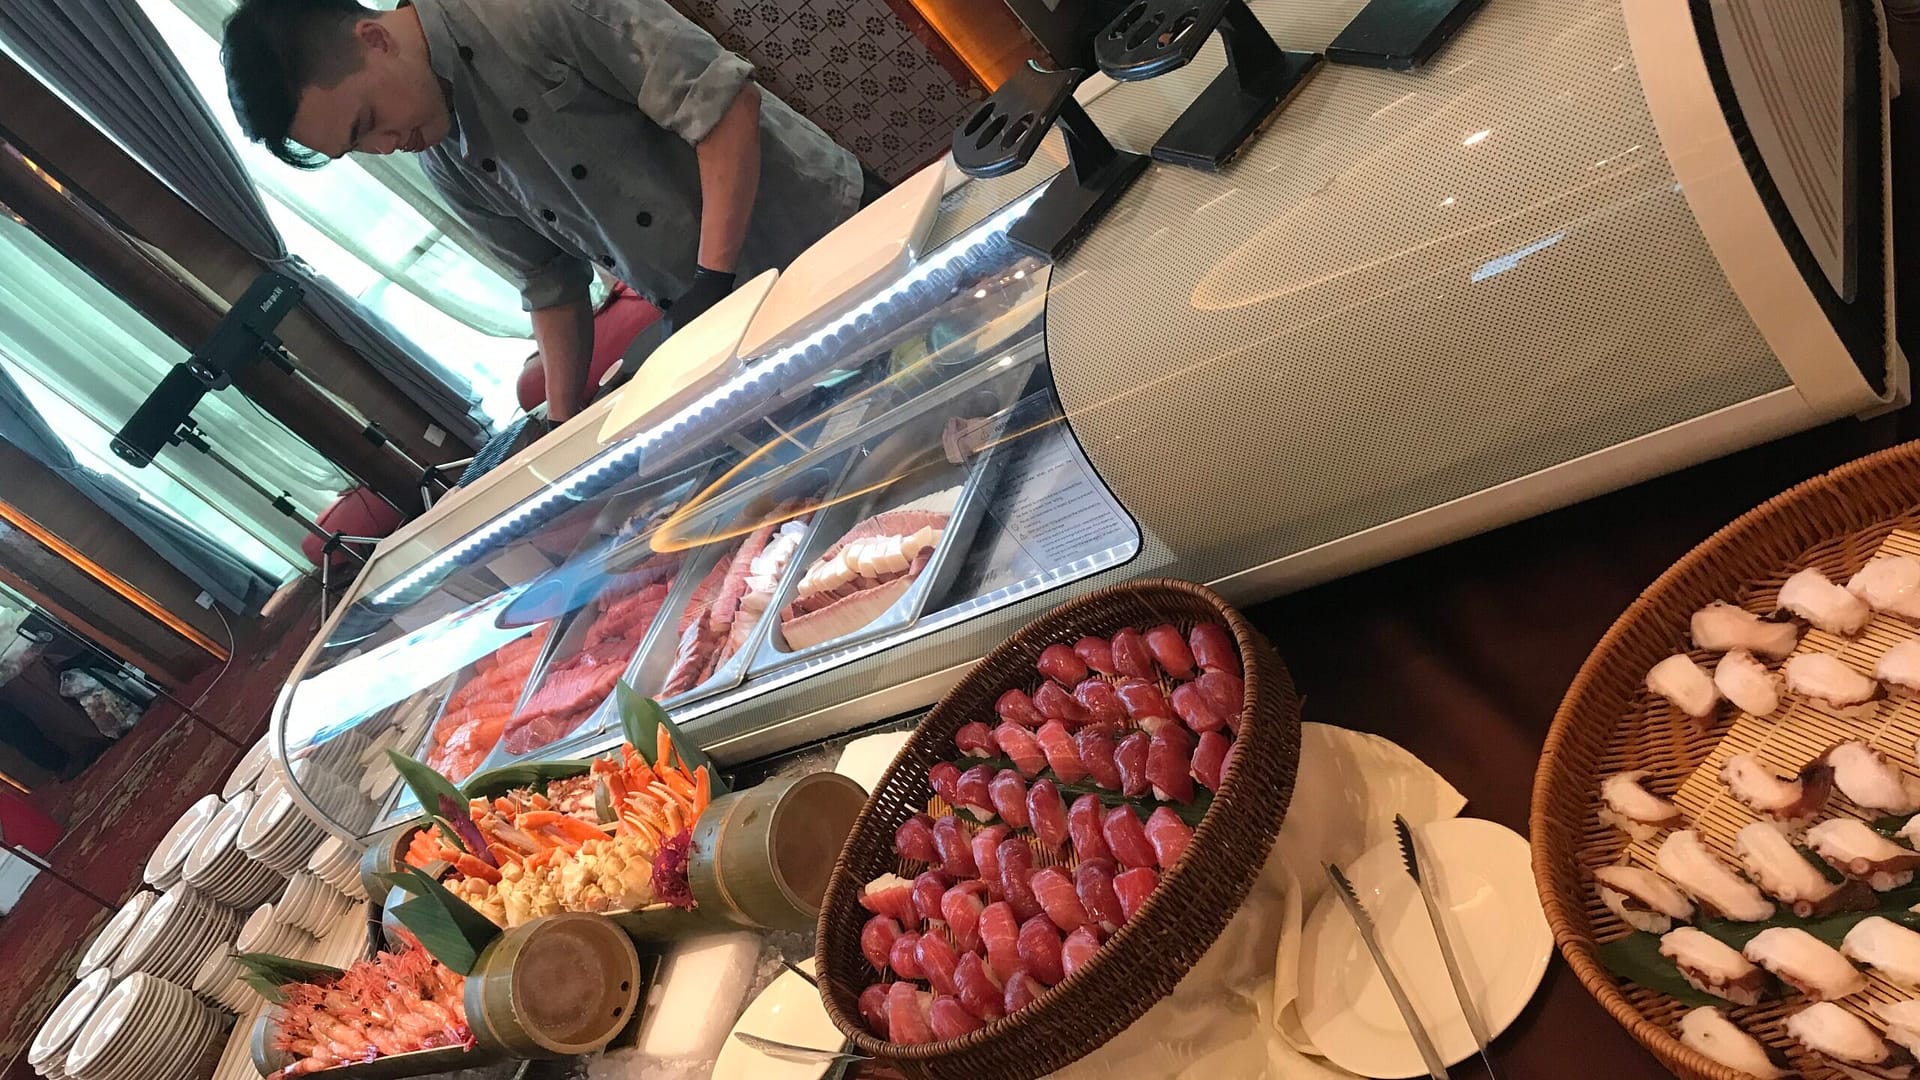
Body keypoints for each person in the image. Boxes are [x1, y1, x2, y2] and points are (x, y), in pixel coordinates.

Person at [222, 0, 876, 420]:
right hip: (727, 325)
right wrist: (567, 425)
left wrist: (713, 280)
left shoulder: (520, 11)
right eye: (358, 147)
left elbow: (723, 106)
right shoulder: (442, 156)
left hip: (829, 237)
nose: (385, 146)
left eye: (369, 122)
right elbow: (550, 286)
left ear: (375, 39)